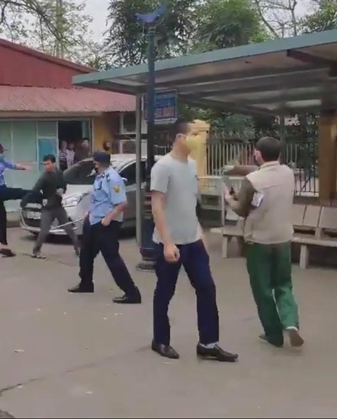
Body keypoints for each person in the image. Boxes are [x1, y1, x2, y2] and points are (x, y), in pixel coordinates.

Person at [150, 120, 238, 362]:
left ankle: (208, 343)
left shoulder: (191, 165)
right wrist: (168, 243)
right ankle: (160, 340)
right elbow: (157, 206)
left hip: (193, 241)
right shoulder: (163, 167)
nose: (201, 139)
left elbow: (189, 204)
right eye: (196, 134)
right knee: (165, 292)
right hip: (169, 242)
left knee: (207, 288)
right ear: (180, 138)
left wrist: (199, 233)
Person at [223, 136, 303, 349]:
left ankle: (273, 335)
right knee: (284, 284)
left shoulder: (252, 180)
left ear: (258, 154)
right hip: (283, 237)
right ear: (280, 154)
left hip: (258, 241)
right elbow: (267, 170)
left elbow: (242, 210)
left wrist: (229, 199)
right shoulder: (288, 173)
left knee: (263, 289)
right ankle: (290, 322)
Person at [68, 151, 141, 304]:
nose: (93, 165)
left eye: (94, 163)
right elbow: (98, 199)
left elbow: (122, 203)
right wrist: (89, 212)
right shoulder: (100, 177)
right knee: (86, 253)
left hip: (106, 224)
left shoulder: (113, 178)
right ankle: (86, 283)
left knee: (112, 257)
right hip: (94, 220)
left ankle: (131, 292)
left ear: (98, 163)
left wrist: (108, 218)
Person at [22, 154, 79, 259]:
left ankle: (78, 248)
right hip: (48, 208)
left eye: (48, 164)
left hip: (59, 206)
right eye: (45, 164)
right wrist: (26, 201)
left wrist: (62, 190)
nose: (46, 166)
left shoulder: (59, 173)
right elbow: (35, 190)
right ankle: (36, 250)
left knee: (68, 228)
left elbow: (64, 185)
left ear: (54, 163)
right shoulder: (44, 177)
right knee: (44, 230)